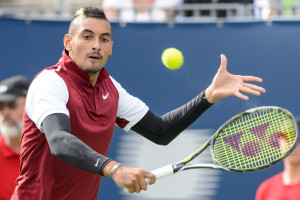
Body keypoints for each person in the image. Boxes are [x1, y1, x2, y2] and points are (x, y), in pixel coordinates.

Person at [11, 6, 265, 200]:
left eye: (104, 39)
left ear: (111, 48)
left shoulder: (111, 91)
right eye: (86, 36)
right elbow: (59, 141)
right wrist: (114, 168)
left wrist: (208, 96)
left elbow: (160, 131)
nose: (96, 45)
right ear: (68, 43)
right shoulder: (49, 82)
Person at [255, 117, 300, 200]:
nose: (293, 145)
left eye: (299, 140)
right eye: (289, 138)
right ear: (279, 141)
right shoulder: (266, 189)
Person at [0, 75, 29, 200]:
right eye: (1, 106)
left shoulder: (50, 150)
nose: (5, 112)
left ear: (29, 105)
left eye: (12, 105)